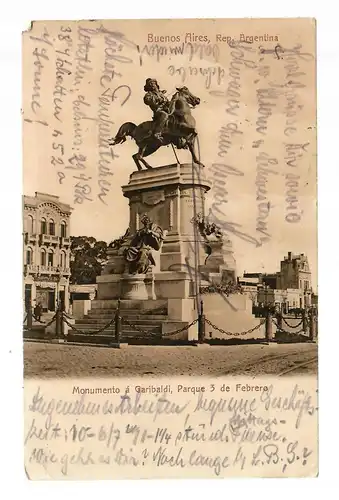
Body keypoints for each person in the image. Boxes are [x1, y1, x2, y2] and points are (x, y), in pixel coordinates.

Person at [143, 78, 171, 143]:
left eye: (153, 83)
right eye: (150, 84)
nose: (152, 85)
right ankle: (157, 133)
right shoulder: (149, 94)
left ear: (156, 84)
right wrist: (157, 99)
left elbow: (167, 102)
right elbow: (147, 100)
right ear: (148, 87)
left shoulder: (161, 94)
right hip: (158, 111)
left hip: (167, 109)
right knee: (164, 115)